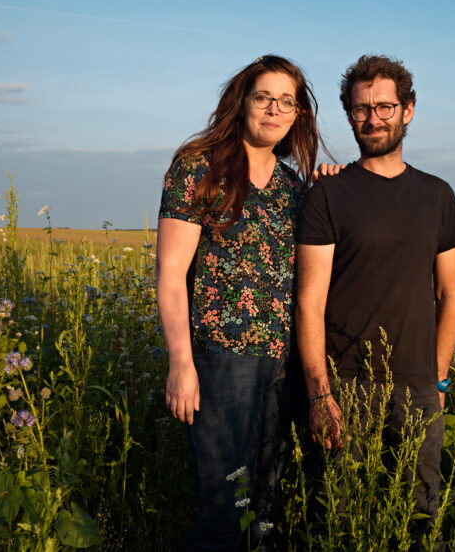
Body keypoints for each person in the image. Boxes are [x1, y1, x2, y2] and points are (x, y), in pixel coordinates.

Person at [157, 55, 324, 551]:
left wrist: (335, 181)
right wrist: (180, 362)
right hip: (220, 361)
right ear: (242, 101)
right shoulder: (200, 167)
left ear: (298, 115)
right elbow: (170, 274)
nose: (274, 110)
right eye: (263, 97)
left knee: (265, 516)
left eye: (286, 102)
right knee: (224, 514)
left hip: (282, 367)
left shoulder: (295, 188)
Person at [295, 54, 455, 539]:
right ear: (349, 114)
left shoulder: (438, 195)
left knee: (420, 523)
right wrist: (320, 392)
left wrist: (439, 379)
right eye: (361, 109)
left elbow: (451, 293)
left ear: (407, 110)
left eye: (385, 107)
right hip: (345, 386)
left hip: (419, 387)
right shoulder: (327, 194)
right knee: (339, 524)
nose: (373, 119)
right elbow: (309, 301)